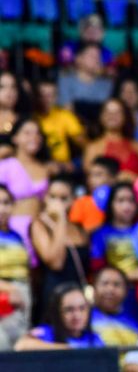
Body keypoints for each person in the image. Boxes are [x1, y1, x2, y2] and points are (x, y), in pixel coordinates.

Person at [31, 175, 91, 314]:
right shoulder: (39, 225)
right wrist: (61, 219)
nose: (57, 203)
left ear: (73, 200)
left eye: (63, 198)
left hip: (78, 296)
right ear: (45, 197)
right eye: (52, 197)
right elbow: (56, 262)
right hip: (54, 295)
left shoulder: (80, 229)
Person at [0, 118, 51, 263]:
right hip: (13, 225)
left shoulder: (45, 168)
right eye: (27, 133)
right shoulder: (6, 165)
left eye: (37, 133)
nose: (33, 137)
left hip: (39, 226)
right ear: (15, 138)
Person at [15, 282, 102, 350]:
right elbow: (21, 346)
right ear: (57, 312)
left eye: (82, 308)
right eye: (69, 310)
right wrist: (68, 350)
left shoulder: (94, 338)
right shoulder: (46, 333)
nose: (77, 315)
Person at [83, 98, 138, 180]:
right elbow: (91, 179)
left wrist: (131, 178)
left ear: (125, 116)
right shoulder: (93, 148)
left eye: (117, 112)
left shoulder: (137, 146)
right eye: (108, 112)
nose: (112, 116)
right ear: (101, 116)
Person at [0, 184, 31, 350]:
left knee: (19, 350)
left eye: (6, 203)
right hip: (6, 296)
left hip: (22, 296)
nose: (2, 209)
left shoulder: (17, 236)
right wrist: (10, 289)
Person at [34, 80, 86, 167]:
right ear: (36, 97)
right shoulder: (30, 117)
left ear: (56, 97)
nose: (46, 99)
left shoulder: (64, 115)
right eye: (42, 95)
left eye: (50, 95)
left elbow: (82, 142)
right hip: (37, 164)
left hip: (62, 165)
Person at [56, 43, 114, 116]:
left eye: (99, 56)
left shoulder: (107, 84)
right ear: (78, 59)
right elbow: (66, 111)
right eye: (92, 56)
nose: (97, 60)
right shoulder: (65, 82)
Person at [91, 266, 138, 346]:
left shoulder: (135, 323)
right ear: (94, 288)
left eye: (116, 285)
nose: (110, 289)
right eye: (105, 283)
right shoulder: (83, 318)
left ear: (126, 291)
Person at [69, 156, 119, 233]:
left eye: (98, 175)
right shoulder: (81, 203)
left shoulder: (121, 201)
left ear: (113, 178)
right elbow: (75, 233)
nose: (91, 180)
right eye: (90, 175)